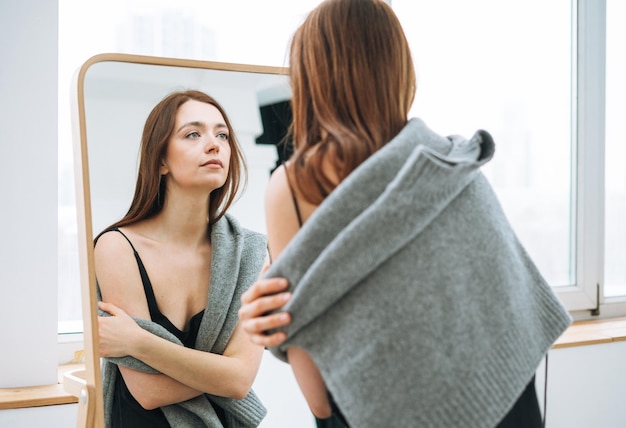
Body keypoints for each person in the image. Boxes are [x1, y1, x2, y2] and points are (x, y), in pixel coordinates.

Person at [237, 0, 572, 427]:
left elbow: (319, 397)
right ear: (399, 68)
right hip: (508, 406)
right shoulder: (452, 165)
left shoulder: (293, 185)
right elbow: (514, 316)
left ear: (314, 80)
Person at [95, 89, 268, 428]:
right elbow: (147, 390)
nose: (214, 144)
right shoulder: (117, 247)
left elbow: (239, 381)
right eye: (193, 134)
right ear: (160, 160)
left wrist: (138, 341)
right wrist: (219, 371)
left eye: (222, 135)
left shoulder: (250, 253)